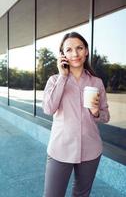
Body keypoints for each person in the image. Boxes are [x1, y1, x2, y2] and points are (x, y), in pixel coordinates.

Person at [42, 32, 110, 197]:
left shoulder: (97, 82)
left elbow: (106, 116)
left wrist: (96, 113)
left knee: (81, 195)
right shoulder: (54, 80)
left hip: (91, 149)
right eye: (69, 49)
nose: (75, 54)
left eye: (79, 48)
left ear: (86, 51)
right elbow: (48, 109)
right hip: (60, 149)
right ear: (63, 55)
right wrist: (63, 77)